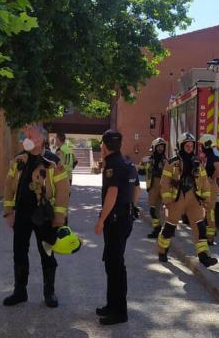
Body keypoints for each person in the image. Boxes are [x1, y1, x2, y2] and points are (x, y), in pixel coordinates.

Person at [2, 125, 70, 308]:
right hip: (22, 214)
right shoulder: (18, 160)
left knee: (47, 253)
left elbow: (63, 190)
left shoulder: (54, 161)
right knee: (19, 253)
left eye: (30, 134)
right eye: (25, 134)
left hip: (44, 215)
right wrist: (9, 211)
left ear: (42, 138)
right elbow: (9, 186)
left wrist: (59, 215)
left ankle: (50, 293)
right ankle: (19, 292)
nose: (26, 136)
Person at [94, 130, 137, 325]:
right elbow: (137, 188)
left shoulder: (112, 165)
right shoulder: (128, 162)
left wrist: (101, 219)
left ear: (104, 145)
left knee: (115, 266)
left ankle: (119, 312)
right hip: (125, 218)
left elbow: (112, 193)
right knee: (113, 263)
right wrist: (132, 207)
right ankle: (112, 305)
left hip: (115, 221)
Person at [157, 132, 219, 267]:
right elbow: (165, 182)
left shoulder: (198, 162)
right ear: (181, 146)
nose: (190, 147)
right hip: (176, 199)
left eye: (192, 145)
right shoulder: (171, 162)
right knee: (170, 227)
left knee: (200, 227)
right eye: (187, 145)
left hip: (193, 199)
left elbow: (204, 182)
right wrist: (167, 201)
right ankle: (162, 251)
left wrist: (206, 199)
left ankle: (204, 257)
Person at [138, 137, 168, 238]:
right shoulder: (148, 160)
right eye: (158, 147)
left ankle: (164, 230)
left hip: (163, 187)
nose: (160, 149)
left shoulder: (167, 161)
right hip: (152, 187)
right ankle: (157, 229)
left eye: (162, 147)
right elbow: (140, 172)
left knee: (163, 209)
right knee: (153, 210)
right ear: (154, 147)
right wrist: (142, 162)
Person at [198, 134, 219, 245]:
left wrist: (212, 179)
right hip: (206, 185)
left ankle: (210, 237)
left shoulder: (213, 156)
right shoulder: (209, 156)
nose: (201, 147)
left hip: (210, 186)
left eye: (202, 145)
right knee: (206, 209)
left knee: (209, 210)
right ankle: (210, 232)